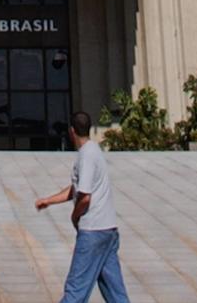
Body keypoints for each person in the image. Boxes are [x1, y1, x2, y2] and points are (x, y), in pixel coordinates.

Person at [35, 111, 130, 303]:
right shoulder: (94, 150)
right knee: (115, 292)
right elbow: (77, 189)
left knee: (75, 291)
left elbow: (84, 197)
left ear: (71, 131)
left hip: (93, 232)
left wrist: (74, 216)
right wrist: (48, 200)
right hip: (108, 231)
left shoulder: (86, 156)